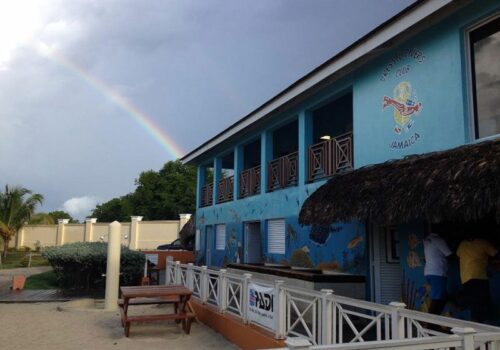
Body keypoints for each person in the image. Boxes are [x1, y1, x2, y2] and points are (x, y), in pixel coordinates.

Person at [456, 237, 498, 322]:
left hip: (465, 278)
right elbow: (495, 253)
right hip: (479, 276)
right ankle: (479, 325)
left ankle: (477, 323)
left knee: (476, 303)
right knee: (480, 304)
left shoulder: (463, 244)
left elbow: (457, 255)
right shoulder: (482, 242)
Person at [423, 231, 452, 315]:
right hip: (438, 272)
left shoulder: (427, 240)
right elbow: (449, 254)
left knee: (442, 297)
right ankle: (431, 323)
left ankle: (435, 321)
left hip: (429, 272)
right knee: (437, 298)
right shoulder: (439, 240)